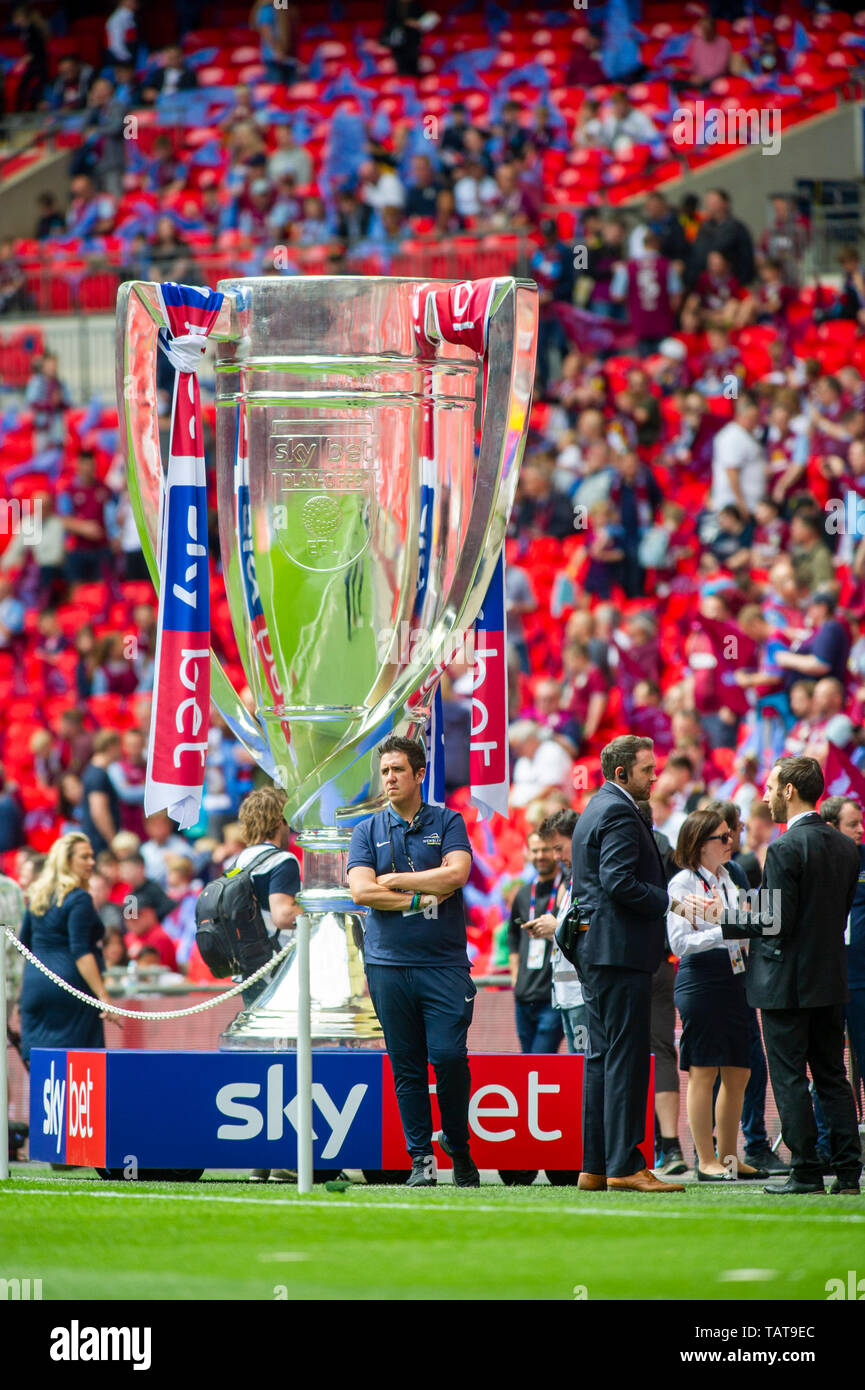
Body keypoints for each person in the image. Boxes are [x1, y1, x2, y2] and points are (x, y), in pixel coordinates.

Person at [702, 757, 862, 1195]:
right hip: (830, 979)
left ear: (789, 790)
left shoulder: (786, 847)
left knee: (790, 1078)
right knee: (832, 1076)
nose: (766, 795)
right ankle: (848, 1173)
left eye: (771, 786)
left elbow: (775, 921)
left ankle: (806, 1170)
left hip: (785, 984)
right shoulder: (847, 848)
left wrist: (724, 915)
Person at [347, 735, 477, 1187]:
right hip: (386, 965)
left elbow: (457, 874)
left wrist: (399, 881)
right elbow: (361, 891)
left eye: (397, 770)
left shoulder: (449, 820)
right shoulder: (366, 829)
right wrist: (423, 894)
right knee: (406, 1065)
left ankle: (457, 1143)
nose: (389, 779)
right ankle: (421, 1157)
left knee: (447, 1057)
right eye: (384, 771)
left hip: (443, 964)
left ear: (419, 774)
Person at [569, 735, 685, 1192]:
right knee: (626, 1059)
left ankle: (595, 1166)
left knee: (602, 1059)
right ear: (622, 774)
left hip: (601, 952)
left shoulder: (596, 807)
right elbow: (619, 882)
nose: (654, 776)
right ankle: (624, 1165)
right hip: (618, 953)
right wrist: (668, 901)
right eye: (646, 770)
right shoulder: (618, 810)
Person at [666, 810, 768, 1180]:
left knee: (739, 1070)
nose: (730, 842)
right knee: (704, 1069)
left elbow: (749, 924)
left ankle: (728, 1156)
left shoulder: (730, 879)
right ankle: (705, 1159)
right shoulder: (682, 883)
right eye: (722, 837)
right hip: (701, 978)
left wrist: (730, 921)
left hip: (736, 976)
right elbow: (679, 941)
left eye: (730, 835)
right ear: (700, 844)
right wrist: (724, 927)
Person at [18, 833, 117, 1062]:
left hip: (35, 987)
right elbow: (81, 951)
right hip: (70, 989)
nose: (92, 862)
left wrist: (23, 993)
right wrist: (104, 997)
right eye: (85, 857)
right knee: (79, 1069)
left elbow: (24, 945)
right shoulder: (79, 898)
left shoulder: (38, 895)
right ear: (67, 861)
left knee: (42, 1069)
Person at [524, 810, 587, 1053]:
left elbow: (597, 929)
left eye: (559, 848)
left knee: (586, 1066)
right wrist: (554, 929)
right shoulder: (572, 879)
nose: (556, 856)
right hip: (566, 995)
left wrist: (556, 927)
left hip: (582, 995)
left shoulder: (589, 878)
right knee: (577, 1066)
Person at [818, 796, 865, 1102]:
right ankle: (826, 1142)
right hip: (825, 979)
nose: (861, 830)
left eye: (861, 822)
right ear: (831, 827)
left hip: (861, 980)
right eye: (853, 824)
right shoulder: (814, 860)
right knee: (827, 1065)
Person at [507, 831, 564, 1055]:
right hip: (523, 997)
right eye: (535, 850)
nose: (540, 855)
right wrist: (514, 974)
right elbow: (512, 935)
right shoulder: (522, 894)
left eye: (546, 849)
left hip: (552, 996)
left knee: (540, 1058)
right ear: (528, 854)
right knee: (526, 1064)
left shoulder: (565, 891)